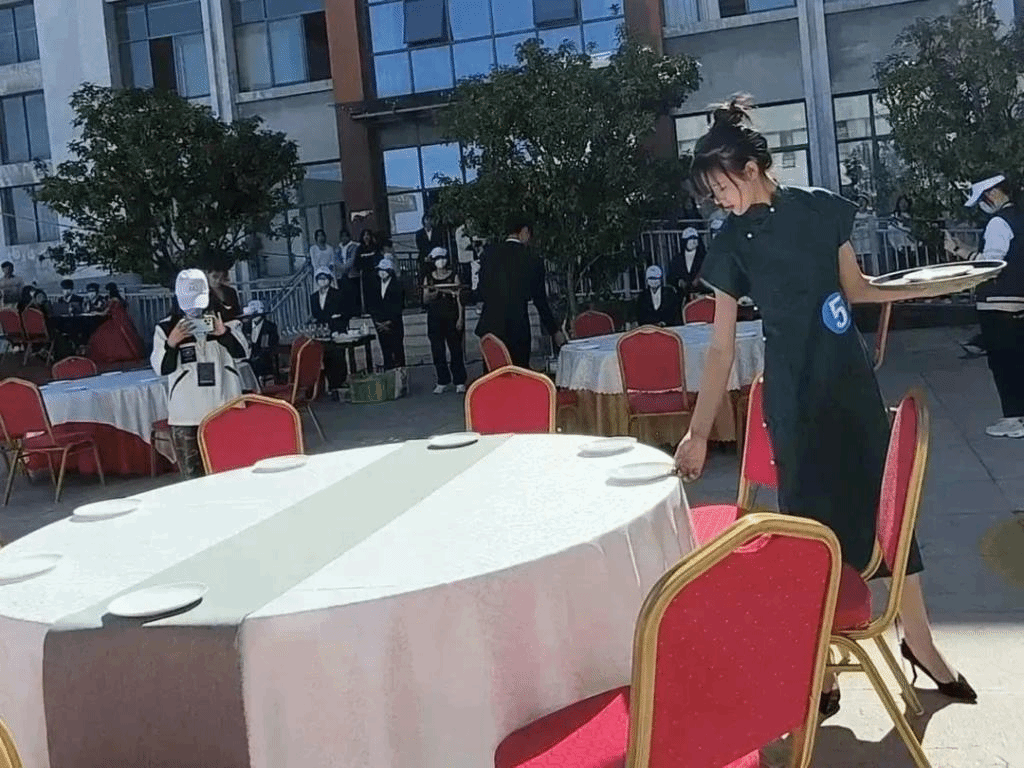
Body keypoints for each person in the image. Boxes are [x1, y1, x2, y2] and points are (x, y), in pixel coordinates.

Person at [674, 96, 975, 718]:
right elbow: (722, 347)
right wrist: (698, 433)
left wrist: (942, 283)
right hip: (794, 396)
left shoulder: (819, 208)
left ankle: (919, 639)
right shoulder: (731, 243)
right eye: (711, 194)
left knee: (888, 513)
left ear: (751, 169)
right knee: (811, 532)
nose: (718, 201)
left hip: (850, 384)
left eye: (721, 187)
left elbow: (858, 289)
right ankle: (824, 665)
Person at [945, 174, 1024, 438]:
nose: (982, 205)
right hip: (1018, 299)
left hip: (997, 302)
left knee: (1002, 363)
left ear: (992, 193)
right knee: (1017, 359)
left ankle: (1013, 419)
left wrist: (960, 251)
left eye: (982, 198)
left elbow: (992, 265)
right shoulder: (1019, 218)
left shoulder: (998, 222)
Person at [151, 269, 249, 479]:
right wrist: (172, 343)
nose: (194, 308)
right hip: (187, 413)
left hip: (224, 405)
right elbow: (162, 369)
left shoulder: (227, 321)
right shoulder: (166, 328)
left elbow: (243, 354)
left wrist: (223, 334)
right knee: (193, 478)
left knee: (231, 471)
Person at [475, 215, 565, 367]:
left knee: (493, 373)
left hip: (490, 328)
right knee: (518, 372)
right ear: (524, 231)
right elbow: (540, 301)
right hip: (517, 328)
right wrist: (554, 330)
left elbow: (481, 291)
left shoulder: (489, 254)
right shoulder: (532, 259)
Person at [423, 247, 467, 393]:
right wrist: (434, 293)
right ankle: (442, 380)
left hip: (451, 315)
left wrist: (460, 318)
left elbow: (460, 298)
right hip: (435, 317)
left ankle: (459, 380)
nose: (440, 261)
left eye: (442, 258)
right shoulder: (429, 278)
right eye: (437, 259)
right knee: (437, 350)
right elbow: (425, 298)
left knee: (455, 349)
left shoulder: (453, 276)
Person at [369, 257, 406, 370]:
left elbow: (399, 306)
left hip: (394, 323)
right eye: (380, 270)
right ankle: (388, 370)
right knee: (385, 350)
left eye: (385, 270)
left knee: (397, 350)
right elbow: (372, 305)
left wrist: (389, 322)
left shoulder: (397, 286)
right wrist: (378, 322)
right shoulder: (375, 285)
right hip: (380, 323)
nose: (382, 272)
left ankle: (400, 374)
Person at [667, 226, 708, 304]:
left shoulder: (704, 257)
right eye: (690, 239)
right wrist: (679, 282)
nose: (693, 241)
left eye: (695, 238)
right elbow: (671, 277)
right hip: (682, 297)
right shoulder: (677, 259)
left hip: (701, 296)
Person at [242, 299, 280, 382]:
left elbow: (270, 347)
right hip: (248, 360)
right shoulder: (245, 327)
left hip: (264, 361)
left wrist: (257, 357)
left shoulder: (270, 327)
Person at [336, 228, 362, 316]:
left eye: (346, 236)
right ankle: (347, 313)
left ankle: (356, 313)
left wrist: (345, 267)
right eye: (342, 236)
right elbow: (336, 260)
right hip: (341, 275)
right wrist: (341, 268)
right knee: (344, 294)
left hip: (352, 274)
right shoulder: (338, 248)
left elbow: (352, 259)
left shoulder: (354, 246)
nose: (344, 238)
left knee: (355, 294)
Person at [415, 214, 445, 280]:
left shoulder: (437, 232)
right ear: (423, 222)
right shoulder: (419, 234)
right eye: (427, 220)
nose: (428, 222)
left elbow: (438, 244)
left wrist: (433, 255)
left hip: (435, 257)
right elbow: (420, 246)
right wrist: (427, 256)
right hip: (424, 257)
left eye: (429, 220)